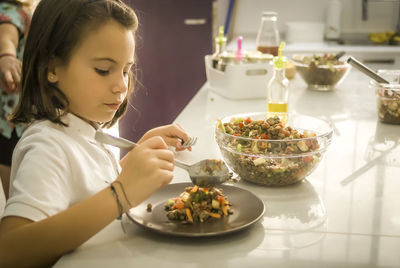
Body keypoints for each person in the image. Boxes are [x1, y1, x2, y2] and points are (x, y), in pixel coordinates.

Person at [0, 0, 192, 266]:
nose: (121, 86)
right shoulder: (47, 146)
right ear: (52, 68)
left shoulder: (82, 129)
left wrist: (135, 160)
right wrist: (122, 192)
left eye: (126, 70)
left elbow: (85, 193)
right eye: (103, 70)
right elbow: (10, 251)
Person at [0, 0, 37, 199]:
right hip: (11, 118)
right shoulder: (10, 11)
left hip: (13, 114)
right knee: (14, 176)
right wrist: (7, 55)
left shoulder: (26, 11)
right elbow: (8, 35)